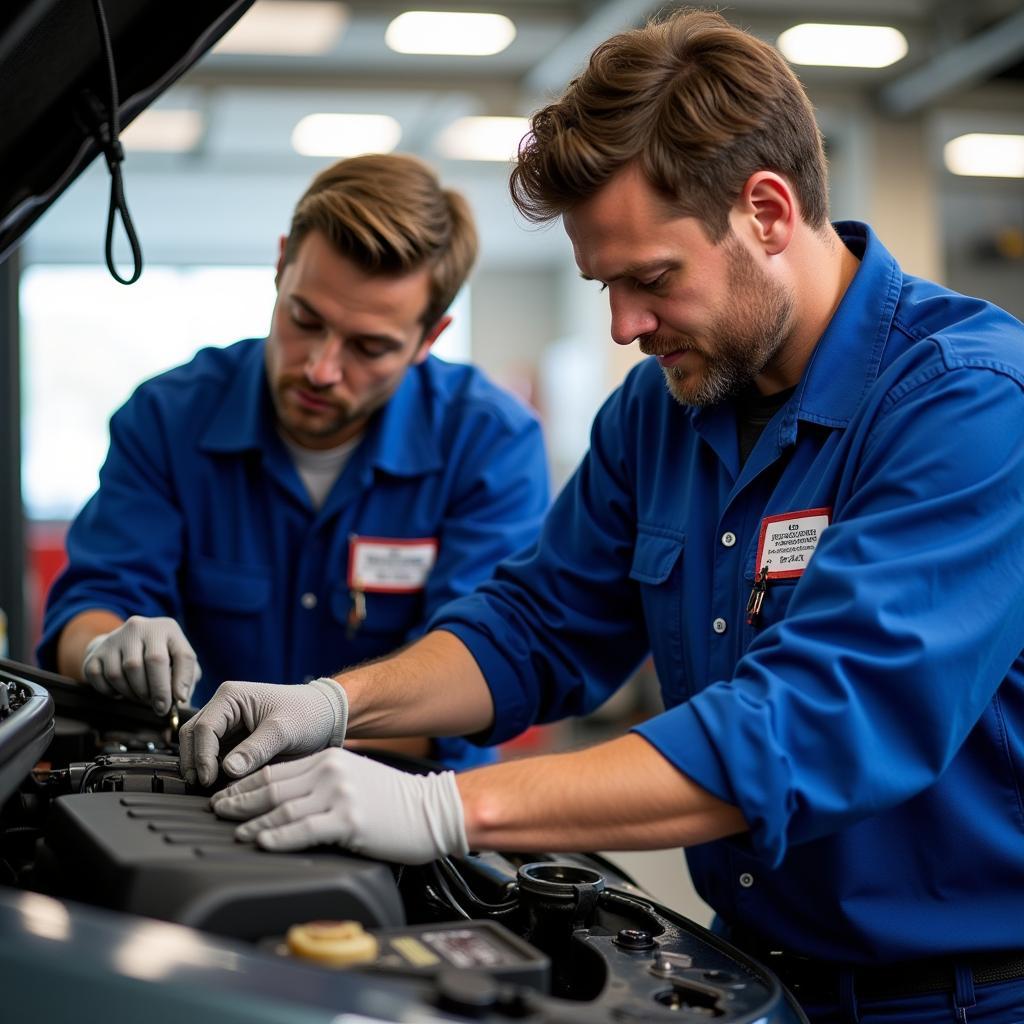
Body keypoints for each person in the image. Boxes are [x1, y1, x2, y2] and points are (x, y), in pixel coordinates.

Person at [182, 10, 1024, 1021]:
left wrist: (443, 805)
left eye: (650, 279)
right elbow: (535, 626)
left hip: (962, 998)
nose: (623, 325)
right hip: (752, 971)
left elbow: (815, 721)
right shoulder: (664, 408)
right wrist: (330, 702)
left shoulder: (969, 403)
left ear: (765, 210)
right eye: (605, 285)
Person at [38, 153, 550, 770]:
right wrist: (106, 645)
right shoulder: (168, 419)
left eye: (370, 347)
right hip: (195, 785)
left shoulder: (489, 443)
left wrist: (313, 722)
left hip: (403, 802)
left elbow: (476, 669)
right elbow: (90, 604)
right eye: (305, 319)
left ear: (429, 338)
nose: (320, 368)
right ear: (282, 265)